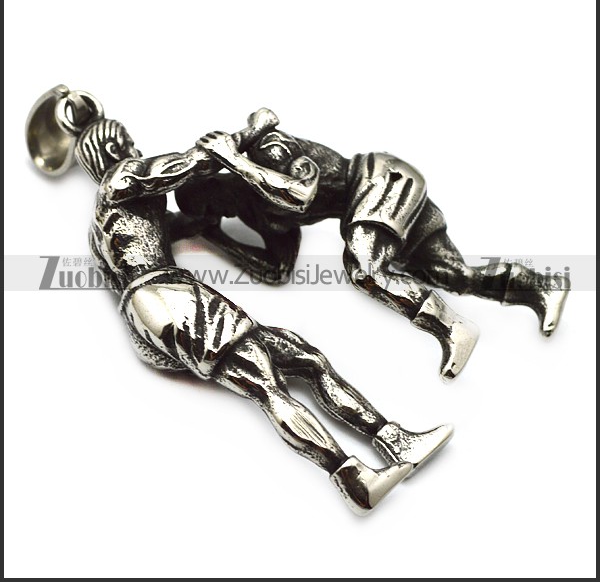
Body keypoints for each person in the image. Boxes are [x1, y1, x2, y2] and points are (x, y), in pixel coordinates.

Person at [30, 91, 453, 515]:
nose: (135, 149)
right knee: (266, 385)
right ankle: (352, 477)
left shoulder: (106, 223)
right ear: (113, 148)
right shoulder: (122, 176)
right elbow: (192, 163)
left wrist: (212, 220)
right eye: (128, 143)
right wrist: (245, 136)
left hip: (149, 312)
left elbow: (181, 226)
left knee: (306, 359)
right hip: (168, 296)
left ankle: (395, 440)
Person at [173, 128, 569, 380]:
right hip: (375, 201)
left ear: (216, 183)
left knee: (362, 269)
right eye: (215, 215)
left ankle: (451, 327)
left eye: (214, 206)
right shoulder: (262, 215)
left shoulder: (266, 151)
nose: (223, 214)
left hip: (379, 179)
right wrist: (214, 237)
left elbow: (300, 195)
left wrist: (232, 157)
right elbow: (277, 268)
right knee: (453, 274)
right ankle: (540, 288)